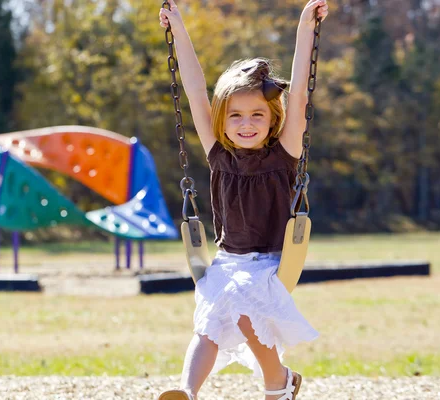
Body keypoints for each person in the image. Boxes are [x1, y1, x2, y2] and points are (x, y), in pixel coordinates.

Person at [157, 1, 329, 399]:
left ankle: (278, 383)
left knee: (248, 312)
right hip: (229, 261)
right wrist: (178, 30)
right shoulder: (218, 153)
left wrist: (307, 26)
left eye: (256, 114)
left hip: (271, 261)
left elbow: (300, 93)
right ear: (222, 118)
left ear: (272, 117)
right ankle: (187, 392)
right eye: (235, 115)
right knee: (209, 325)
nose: (246, 123)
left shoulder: (284, 153)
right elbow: (195, 89)